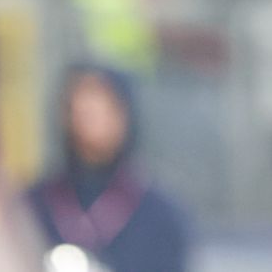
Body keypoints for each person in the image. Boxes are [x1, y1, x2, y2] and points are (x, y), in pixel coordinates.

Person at [25, 63, 190, 272]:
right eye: (81, 111)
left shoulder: (159, 215)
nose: (89, 121)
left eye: (102, 110)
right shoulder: (33, 207)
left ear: (125, 115)